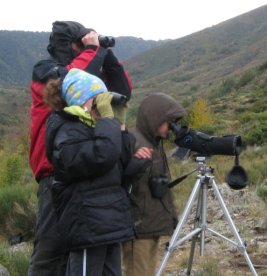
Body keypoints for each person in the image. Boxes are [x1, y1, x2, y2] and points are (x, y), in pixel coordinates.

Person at [28, 20, 132, 276]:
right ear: (69, 46)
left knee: (78, 252)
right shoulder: (45, 71)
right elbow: (72, 77)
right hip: (56, 173)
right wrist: (94, 50)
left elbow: (122, 91)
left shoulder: (87, 72)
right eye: (82, 43)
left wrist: (107, 55)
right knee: (50, 250)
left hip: (86, 176)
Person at [44, 68, 135, 275]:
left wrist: (120, 126)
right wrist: (107, 122)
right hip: (86, 223)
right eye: (97, 100)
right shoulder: (67, 130)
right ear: (81, 101)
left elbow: (124, 163)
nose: (102, 106)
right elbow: (101, 157)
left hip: (109, 220)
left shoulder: (98, 128)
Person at [122, 93, 187, 276]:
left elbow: (162, 186)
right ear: (155, 118)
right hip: (138, 227)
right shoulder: (133, 141)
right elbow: (122, 177)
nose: (171, 128)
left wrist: (171, 217)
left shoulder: (154, 143)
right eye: (168, 122)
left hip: (151, 224)